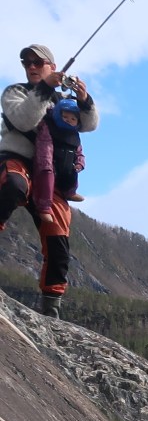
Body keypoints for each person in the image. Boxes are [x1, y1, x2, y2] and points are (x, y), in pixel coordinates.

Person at [0, 44, 99, 318]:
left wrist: (84, 99)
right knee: (13, 186)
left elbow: (88, 125)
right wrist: (44, 88)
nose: (31, 66)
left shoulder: (61, 100)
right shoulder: (14, 92)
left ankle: (51, 306)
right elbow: (23, 120)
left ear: (52, 66)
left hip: (50, 175)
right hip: (17, 159)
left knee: (58, 238)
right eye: (26, 62)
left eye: (37, 62)